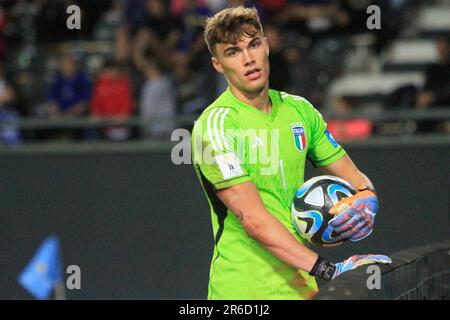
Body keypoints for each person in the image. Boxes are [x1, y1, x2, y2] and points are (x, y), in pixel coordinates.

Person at [191, 6, 391, 300]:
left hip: (303, 290)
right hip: (244, 293)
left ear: (267, 46)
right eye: (233, 52)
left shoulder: (300, 111)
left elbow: (358, 180)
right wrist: (329, 271)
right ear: (218, 64)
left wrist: (366, 202)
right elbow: (254, 221)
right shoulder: (215, 127)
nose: (248, 59)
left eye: (254, 44)